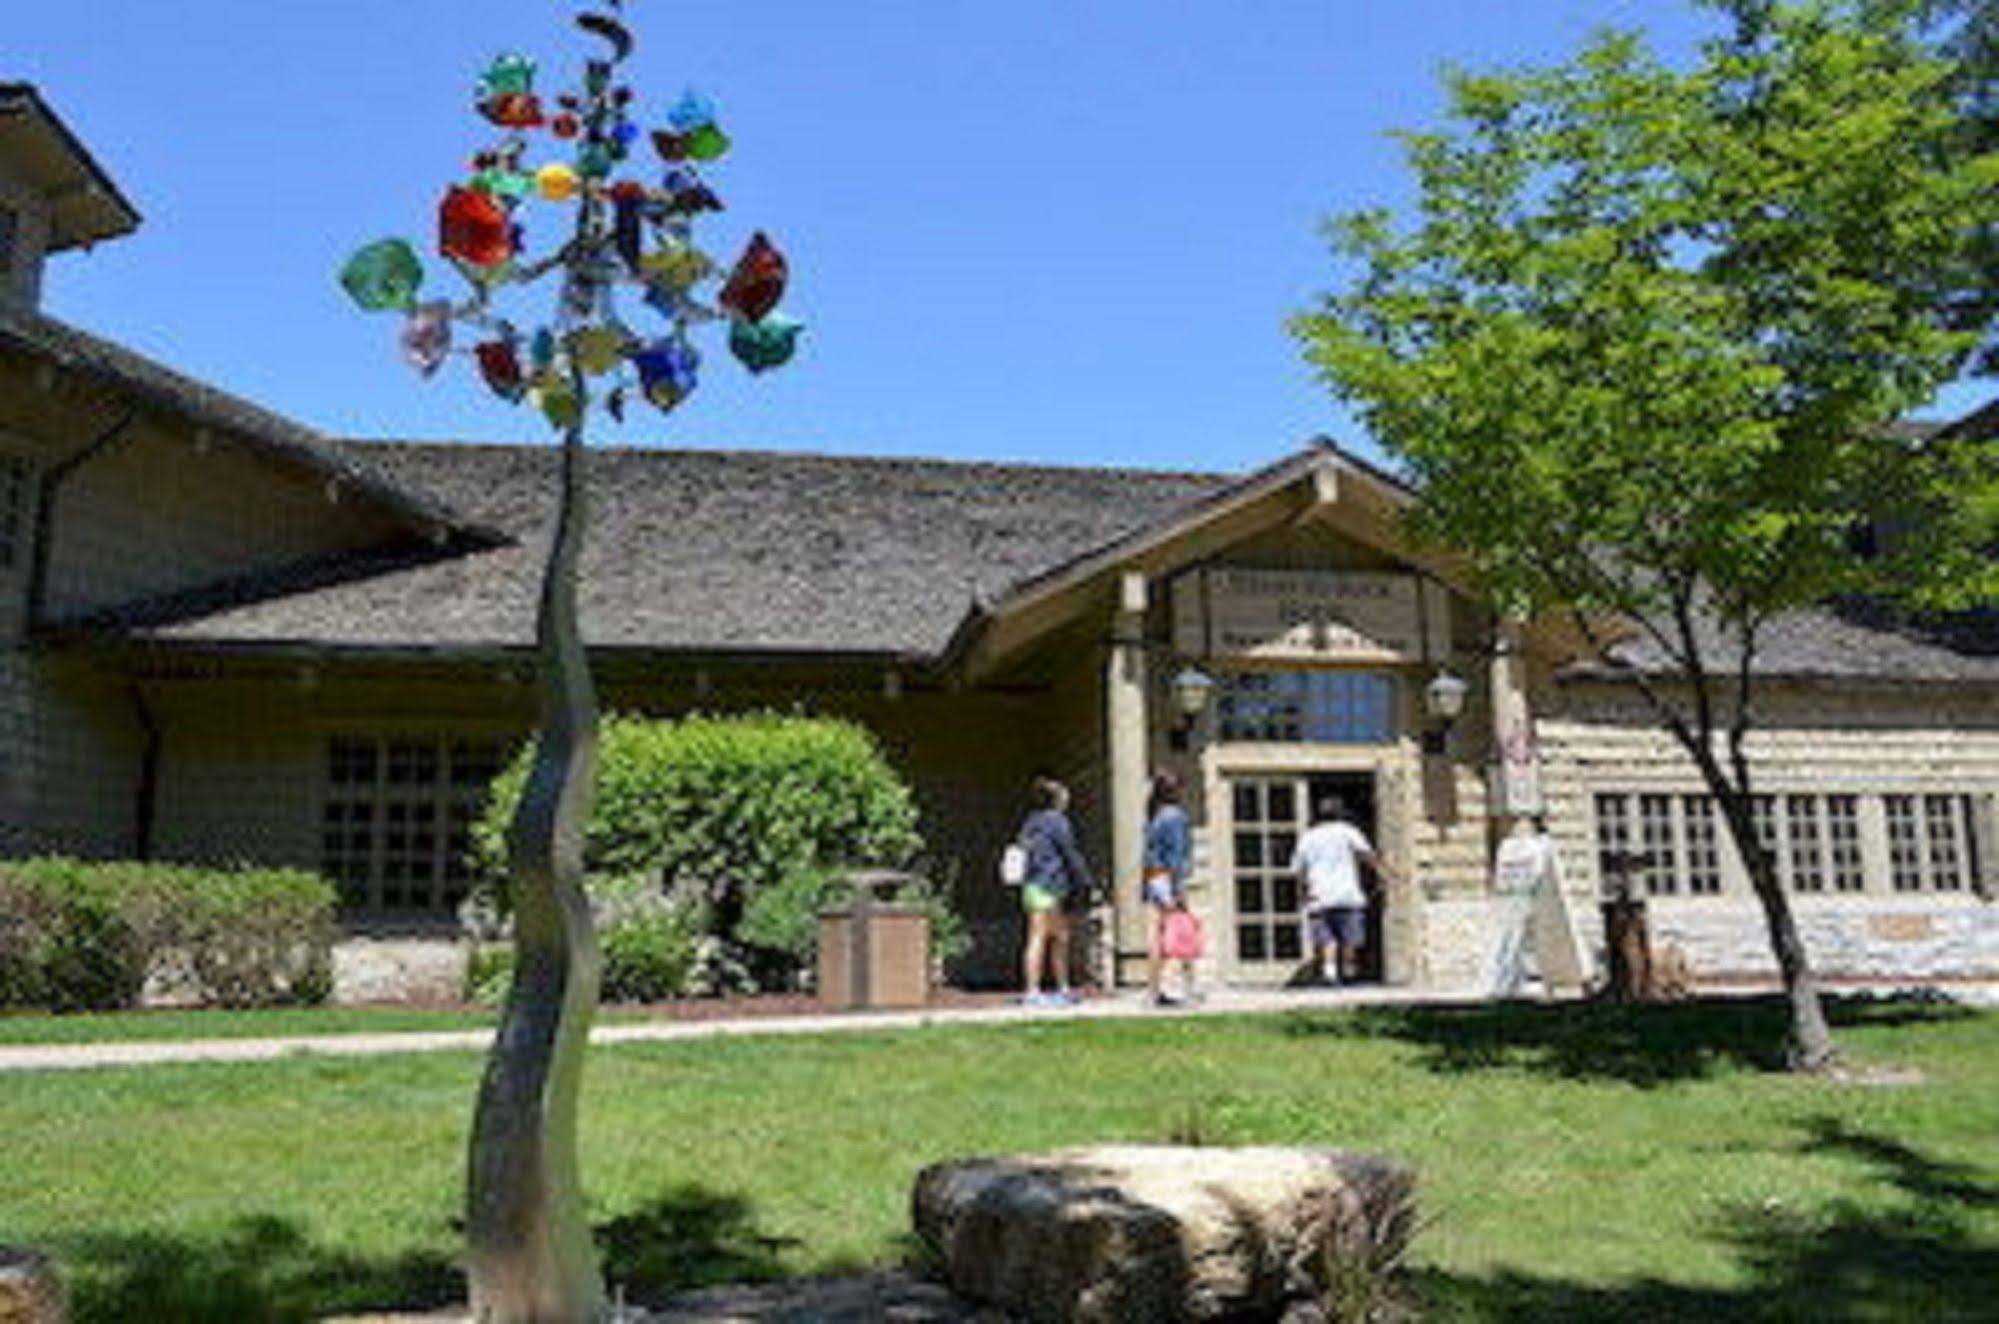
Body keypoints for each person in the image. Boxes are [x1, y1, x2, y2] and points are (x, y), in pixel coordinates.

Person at [1289, 794, 1401, 985]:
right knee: (1350, 937)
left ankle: (1330, 973)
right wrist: (1385, 873)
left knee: (1327, 939)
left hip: (1320, 894)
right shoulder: (1348, 831)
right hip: (1347, 893)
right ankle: (1349, 972)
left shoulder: (1308, 837)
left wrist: (1301, 892)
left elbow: (1299, 870)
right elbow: (1366, 855)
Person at [1016, 776, 1092, 1006]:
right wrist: (1084, 879)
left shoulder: (1030, 823)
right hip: (1050, 885)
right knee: (1049, 938)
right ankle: (1042, 990)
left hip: (1031, 885)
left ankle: (1050, 987)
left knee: (1050, 937)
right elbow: (1069, 853)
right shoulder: (1058, 822)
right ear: (1056, 800)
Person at [1142, 772, 1199, 1007]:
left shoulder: (1153, 818)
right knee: (1184, 931)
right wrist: (1179, 889)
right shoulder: (1176, 817)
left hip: (1153, 876)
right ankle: (1189, 988)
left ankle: (1153, 991)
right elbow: (1176, 855)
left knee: (1156, 935)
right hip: (1169, 877)